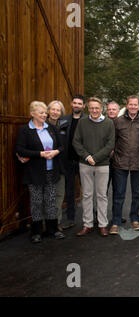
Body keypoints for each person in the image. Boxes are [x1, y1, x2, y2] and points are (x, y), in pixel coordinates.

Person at [15, 101, 65, 243]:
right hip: (34, 172)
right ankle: (36, 232)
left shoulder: (51, 128)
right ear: (32, 114)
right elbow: (20, 149)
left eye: (45, 113)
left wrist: (55, 151)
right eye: (41, 112)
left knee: (51, 200)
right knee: (36, 202)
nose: (45, 115)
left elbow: (61, 146)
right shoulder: (25, 130)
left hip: (51, 171)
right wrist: (40, 154)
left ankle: (53, 229)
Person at [72, 97, 115, 237]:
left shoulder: (108, 123)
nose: (94, 110)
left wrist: (95, 158)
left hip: (102, 164)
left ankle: (103, 224)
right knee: (87, 195)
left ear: (101, 108)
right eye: (91, 108)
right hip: (85, 164)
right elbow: (76, 142)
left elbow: (110, 144)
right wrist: (87, 157)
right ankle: (87, 224)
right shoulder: (82, 122)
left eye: (97, 108)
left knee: (102, 195)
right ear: (88, 108)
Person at [109, 96, 139, 234]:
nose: (133, 107)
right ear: (127, 106)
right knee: (119, 194)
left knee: (137, 194)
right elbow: (113, 141)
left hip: (138, 164)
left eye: (135, 105)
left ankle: (134, 218)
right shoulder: (118, 122)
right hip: (120, 163)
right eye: (131, 104)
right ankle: (115, 222)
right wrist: (116, 156)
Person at [59, 94, 85, 229]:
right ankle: (70, 218)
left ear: (83, 106)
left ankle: (90, 218)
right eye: (75, 103)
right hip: (68, 161)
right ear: (71, 104)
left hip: (83, 161)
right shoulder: (63, 120)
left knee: (87, 191)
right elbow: (60, 139)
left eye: (79, 103)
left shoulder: (87, 120)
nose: (76, 105)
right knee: (69, 191)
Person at [47, 100, 67, 231]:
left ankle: (57, 221)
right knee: (47, 196)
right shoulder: (41, 125)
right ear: (48, 110)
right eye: (53, 109)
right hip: (46, 166)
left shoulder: (64, 125)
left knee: (59, 195)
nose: (55, 112)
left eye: (58, 110)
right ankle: (45, 223)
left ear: (61, 113)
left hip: (61, 166)